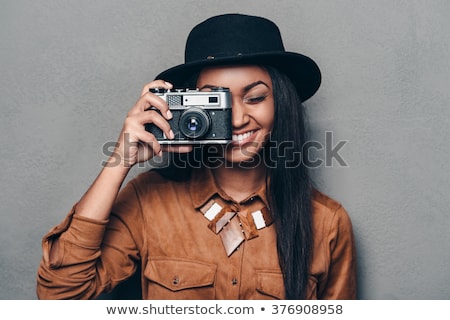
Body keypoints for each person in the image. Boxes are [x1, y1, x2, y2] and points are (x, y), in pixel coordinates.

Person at [36, 13, 356, 300]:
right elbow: (59, 295)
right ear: (188, 110)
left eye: (255, 97)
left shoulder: (327, 223)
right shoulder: (148, 203)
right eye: (216, 103)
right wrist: (121, 159)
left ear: (281, 103)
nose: (237, 119)